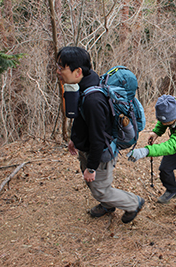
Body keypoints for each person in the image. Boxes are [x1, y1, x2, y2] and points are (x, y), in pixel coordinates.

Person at [56, 46, 145, 224]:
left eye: (61, 68)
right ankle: (107, 205)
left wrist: (91, 168)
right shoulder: (87, 81)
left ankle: (133, 203)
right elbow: (82, 120)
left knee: (100, 189)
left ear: (77, 71)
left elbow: (98, 137)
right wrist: (75, 139)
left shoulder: (93, 100)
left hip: (100, 152)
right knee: (93, 183)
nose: (57, 71)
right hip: (87, 147)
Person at [127, 95, 176, 209]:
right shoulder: (169, 108)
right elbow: (164, 120)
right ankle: (172, 190)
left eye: (168, 122)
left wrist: (146, 151)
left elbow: (174, 145)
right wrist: (156, 132)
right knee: (165, 168)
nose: (165, 124)